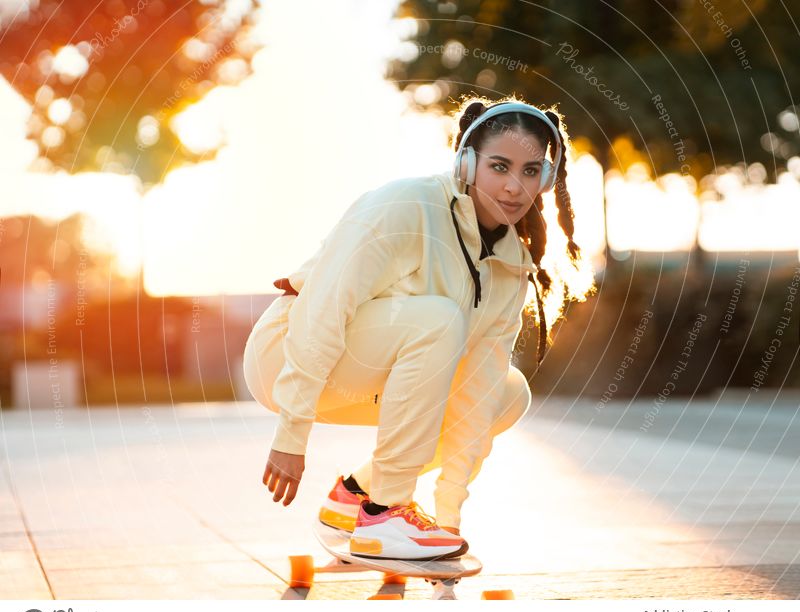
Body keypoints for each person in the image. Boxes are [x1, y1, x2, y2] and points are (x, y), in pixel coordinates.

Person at [242, 96, 588, 561]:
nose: (513, 186)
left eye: (530, 171)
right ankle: (385, 512)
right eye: (500, 166)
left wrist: (448, 522)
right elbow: (324, 308)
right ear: (467, 161)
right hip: (285, 352)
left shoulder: (510, 265)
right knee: (440, 317)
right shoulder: (407, 205)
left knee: (506, 394)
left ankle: (355, 498)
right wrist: (291, 436)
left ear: (546, 179)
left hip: (369, 372)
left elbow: (477, 390)